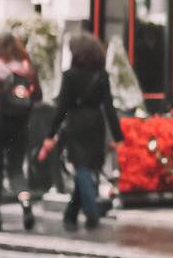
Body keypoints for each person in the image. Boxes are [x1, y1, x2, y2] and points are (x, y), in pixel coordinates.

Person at [38, 33, 122, 229]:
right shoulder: (102, 75)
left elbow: (62, 108)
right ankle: (71, 213)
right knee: (88, 166)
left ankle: (91, 211)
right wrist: (117, 136)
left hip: (76, 122)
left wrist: (51, 134)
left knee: (81, 167)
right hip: (96, 122)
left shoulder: (70, 75)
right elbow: (109, 106)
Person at [0, 32, 42, 232]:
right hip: (19, 124)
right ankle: (26, 205)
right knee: (15, 169)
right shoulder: (26, 67)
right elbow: (38, 96)